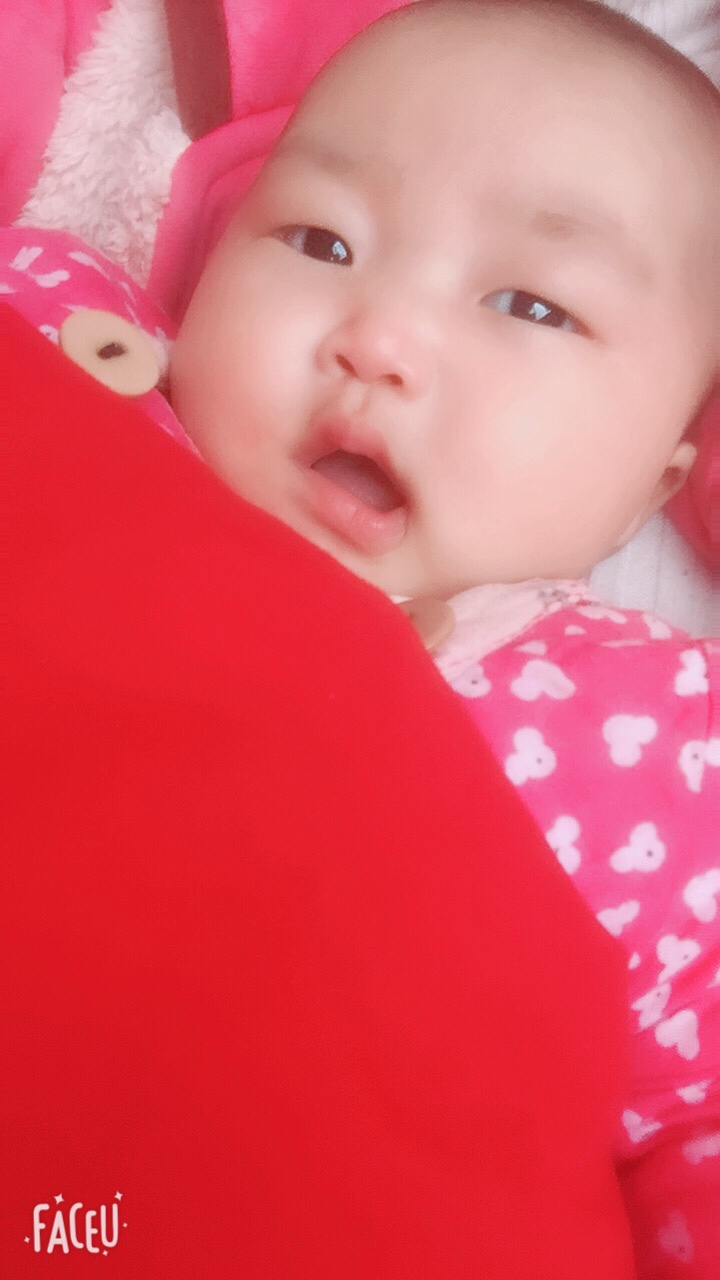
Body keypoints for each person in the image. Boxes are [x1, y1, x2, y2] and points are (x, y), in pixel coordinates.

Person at [162, 1, 720, 1274]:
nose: (381, 340)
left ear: (648, 486)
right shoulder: (82, 396)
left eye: (530, 305)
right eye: (319, 239)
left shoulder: (663, 749)